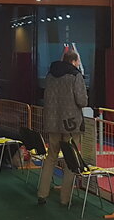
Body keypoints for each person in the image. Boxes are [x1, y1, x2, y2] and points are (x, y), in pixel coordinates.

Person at [36, 49, 87, 205]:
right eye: (78, 61)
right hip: (71, 124)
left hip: (53, 123)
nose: (78, 64)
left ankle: (42, 193)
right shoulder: (75, 76)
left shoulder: (50, 75)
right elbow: (82, 101)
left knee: (51, 157)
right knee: (70, 160)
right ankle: (65, 198)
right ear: (73, 61)